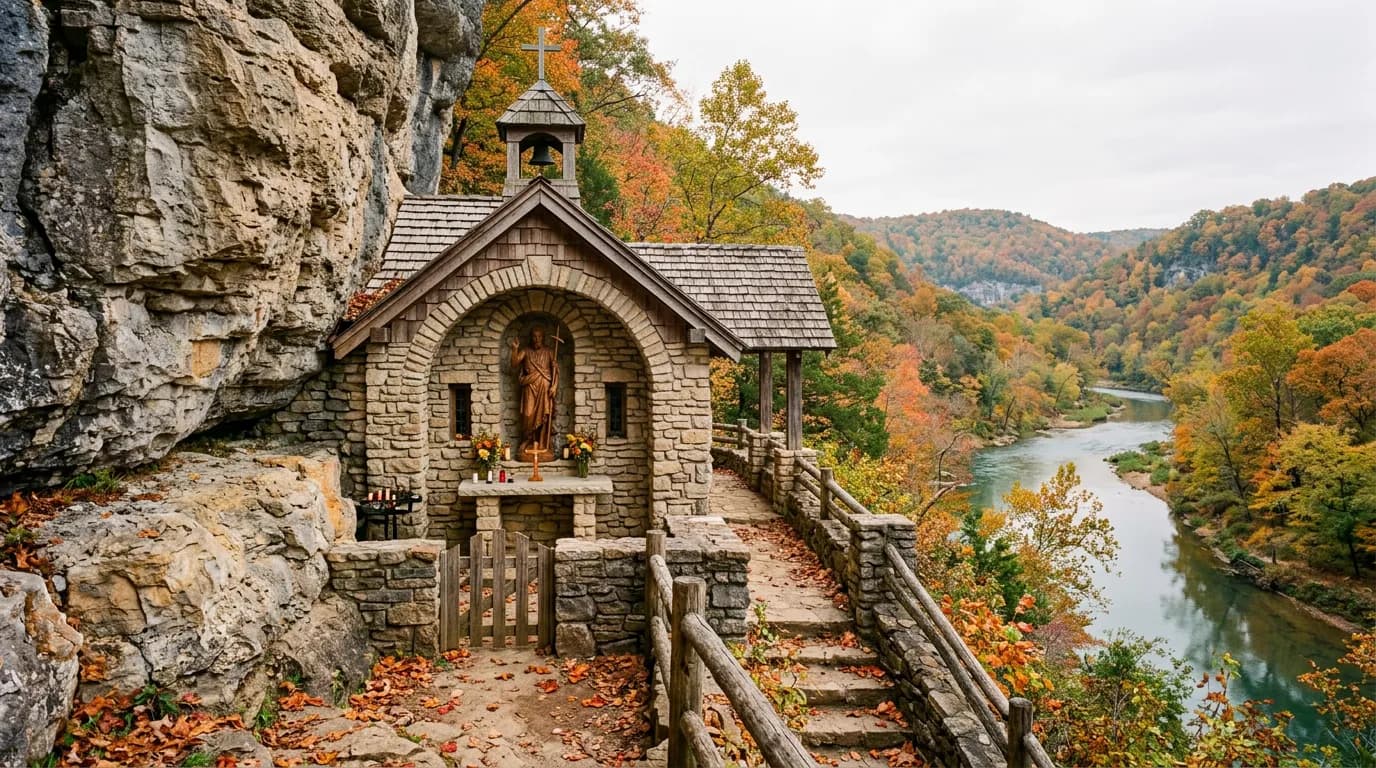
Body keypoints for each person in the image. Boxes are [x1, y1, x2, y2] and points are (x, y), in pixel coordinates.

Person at [509, 326, 557, 459]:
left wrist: (554, 386)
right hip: (529, 388)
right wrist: (514, 349)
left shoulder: (549, 352)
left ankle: (542, 444)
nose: (537, 339)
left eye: (539, 336)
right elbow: (514, 363)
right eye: (534, 337)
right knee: (528, 415)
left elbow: (555, 372)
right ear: (531, 338)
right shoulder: (525, 351)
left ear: (543, 337)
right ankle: (527, 440)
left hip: (544, 389)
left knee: (544, 417)